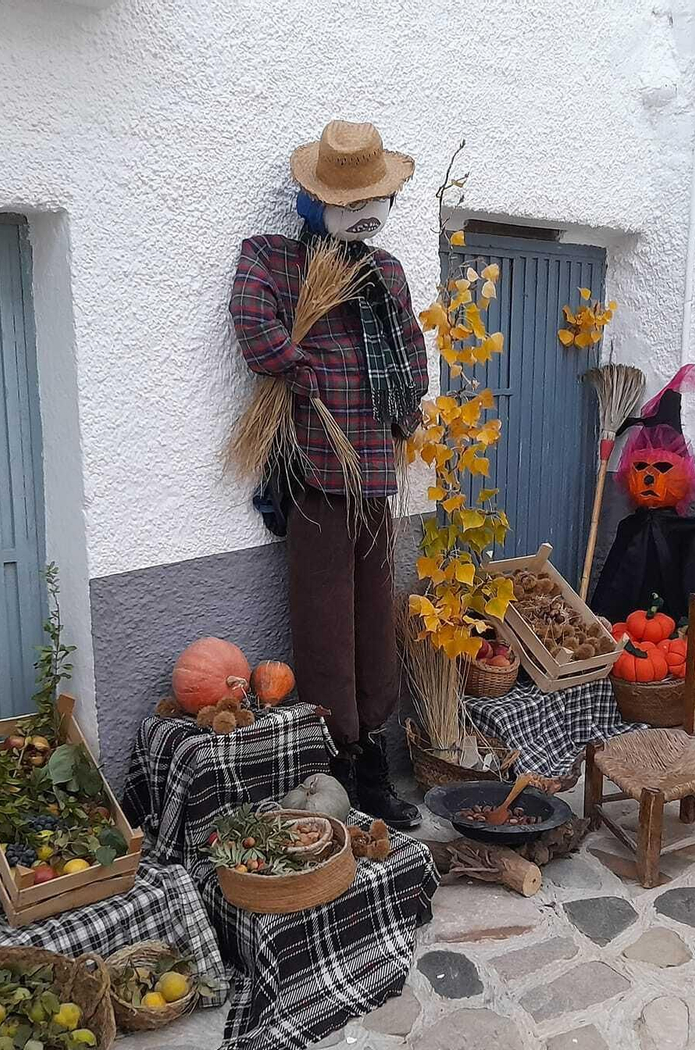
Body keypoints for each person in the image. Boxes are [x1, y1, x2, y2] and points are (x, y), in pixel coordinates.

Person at [229, 120, 430, 830]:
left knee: (376, 611)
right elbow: (252, 320)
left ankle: (373, 753)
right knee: (323, 620)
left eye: (376, 198)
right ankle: (335, 761)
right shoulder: (275, 260)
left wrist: (409, 409)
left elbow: (410, 344)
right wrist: (296, 369)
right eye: (351, 199)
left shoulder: (388, 273)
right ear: (314, 201)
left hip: (375, 470)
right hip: (315, 470)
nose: (367, 212)